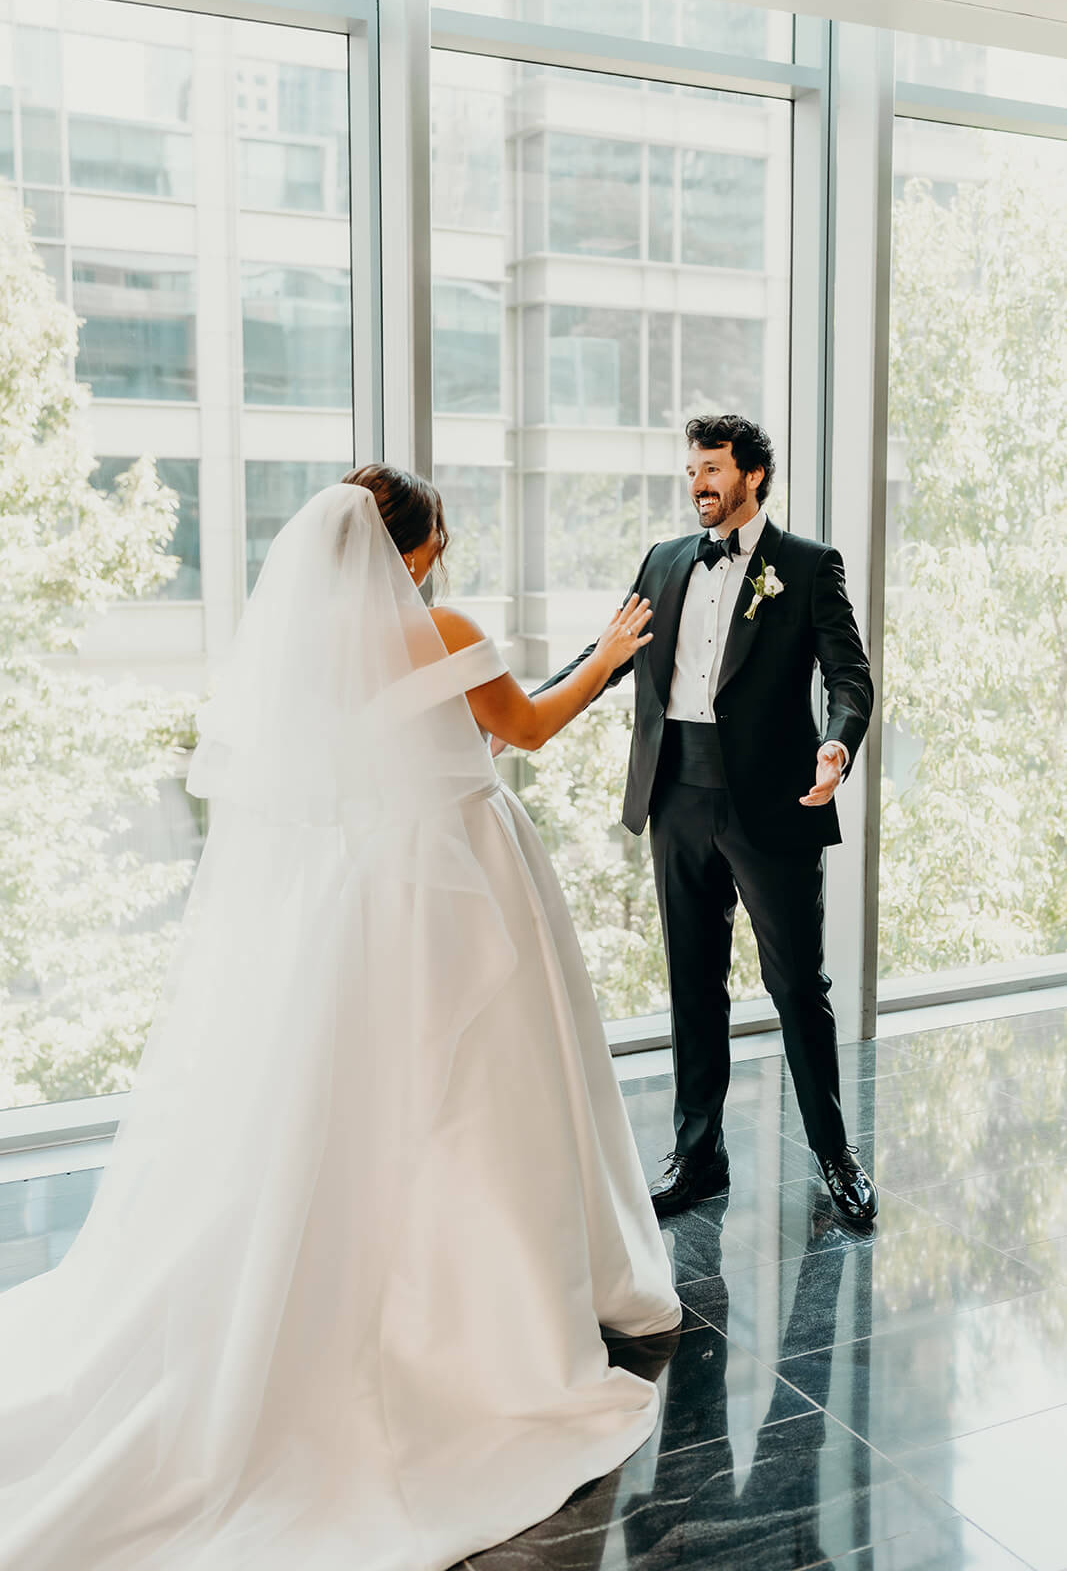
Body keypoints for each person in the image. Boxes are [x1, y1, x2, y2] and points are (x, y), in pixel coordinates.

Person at [0, 469, 681, 1571]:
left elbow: (378, 760)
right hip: (465, 880)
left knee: (371, 1094)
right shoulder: (441, 627)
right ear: (408, 552)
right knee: (482, 1088)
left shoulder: (310, 667)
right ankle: (480, 1306)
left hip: (364, 898)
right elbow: (529, 727)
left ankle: (361, 1274)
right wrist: (607, 657)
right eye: (435, 545)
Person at [533, 414, 878, 1226]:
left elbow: (849, 677)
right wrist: (514, 712)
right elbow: (605, 656)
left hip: (775, 801)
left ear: (753, 475)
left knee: (797, 985)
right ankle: (698, 1157)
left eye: (711, 468)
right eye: (690, 470)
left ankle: (834, 1154)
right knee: (693, 982)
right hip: (674, 794)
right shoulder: (661, 561)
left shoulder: (805, 565)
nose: (697, 484)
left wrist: (837, 748)